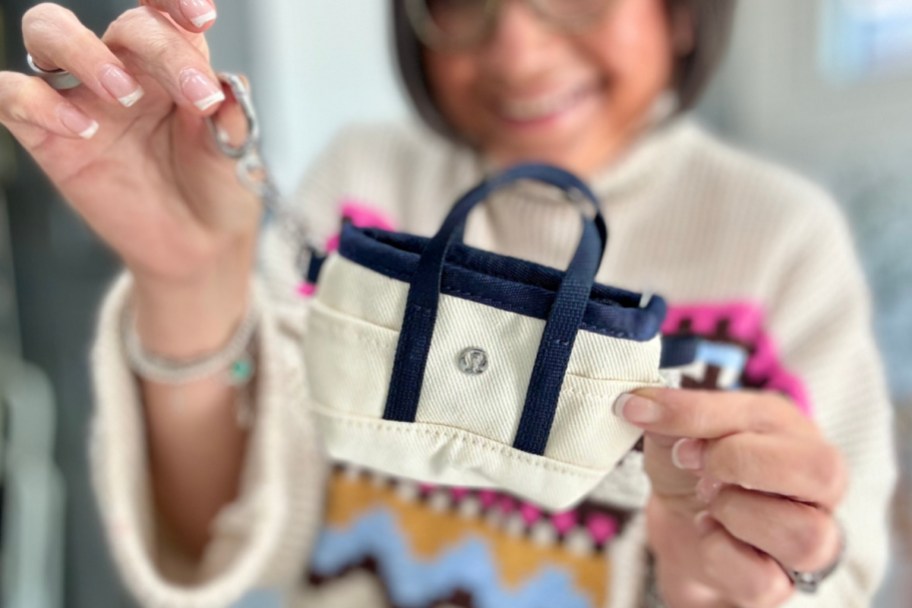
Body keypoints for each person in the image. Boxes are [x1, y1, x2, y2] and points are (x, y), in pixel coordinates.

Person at [0, 0, 897, 606]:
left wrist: (724, 576)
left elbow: (838, 573)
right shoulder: (363, 187)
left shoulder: (779, 240)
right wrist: (189, 282)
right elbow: (236, 536)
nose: (516, 49)